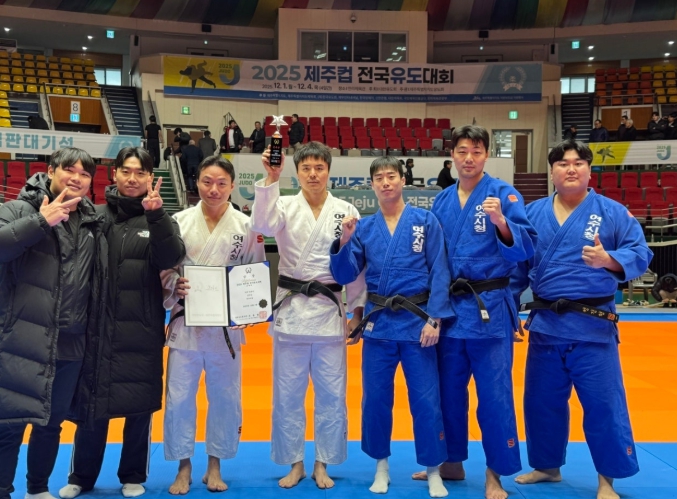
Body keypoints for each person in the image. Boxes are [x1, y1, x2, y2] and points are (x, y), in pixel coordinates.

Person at [514, 139, 652, 499]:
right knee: (541, 402)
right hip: (546, 325)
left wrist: (609, 260)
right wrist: (509, 309)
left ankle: (607, 479)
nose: (571, 169)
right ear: (552, 172)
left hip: (593, 325)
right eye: (562, 163)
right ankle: (547, 467)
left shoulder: (613, 212)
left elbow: (641, 253)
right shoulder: (532, 213)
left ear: (590, 171)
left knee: (603, 405)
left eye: (578, 163)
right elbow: (517, 268)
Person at [413, 125, 536, 499]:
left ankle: (495, 472)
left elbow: (526, 249)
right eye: (462, 151)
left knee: (495, 396)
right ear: (452, 155)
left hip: (489, 310)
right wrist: (431, 310)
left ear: (486, 155)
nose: (469, 158)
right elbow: (432, 258)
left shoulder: (504, 194)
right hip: (451, 311)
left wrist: (501, 222)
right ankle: (452, 461)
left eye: (477, 151)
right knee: (448, 393)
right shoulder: (442, 201)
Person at [58, 147, 185, 499]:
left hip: (141, 328)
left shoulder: (161, 218)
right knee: (91, 404)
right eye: (126, 171)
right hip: (95, 327)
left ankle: (133, 473)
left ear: (150, 178)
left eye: (140, 172)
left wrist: (156, 216)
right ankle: (81, 476)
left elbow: (172, 256)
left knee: (139, 405)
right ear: (114, 174)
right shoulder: (94, 216)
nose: (133, 178)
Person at [329, 157, 454, 498]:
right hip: (379, 324)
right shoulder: (365, 227)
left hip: (417, 323)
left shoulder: (425, 221)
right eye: (379, 178)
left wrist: (435, 318)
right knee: (376, 400)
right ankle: (381, 467)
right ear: (372, 185)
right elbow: (344, 275)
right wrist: (343, 241)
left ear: (402, 180)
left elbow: (440, 270)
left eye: (391, 176)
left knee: (427, 400)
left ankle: (433, 470)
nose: (386, 182)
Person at [250, 142, 366, 489]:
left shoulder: (345, 210)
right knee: (288, 394)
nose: (313, 174)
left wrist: (357, 311)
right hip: (292, 311)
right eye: (306, 169)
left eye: (319, 168)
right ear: (297, 172)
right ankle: (295, 463)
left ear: (328, 171)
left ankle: (322, 463)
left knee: (332, 394)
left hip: (329, 312)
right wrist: (271, 178)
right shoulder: (283, 204)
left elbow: (356, 266)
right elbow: (262, 224)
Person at [0, 148, 107, 499]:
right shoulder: (19, 209)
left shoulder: (92, 222)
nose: (76, 178)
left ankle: (37, 488)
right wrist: (40, 222)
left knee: (51, 422)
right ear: (49, 171)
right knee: (10, 422)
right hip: (25, 335)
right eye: (69, 170)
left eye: (85, 174)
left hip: (71, 340)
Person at [161, 155, 265, 495]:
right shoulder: (177, 222)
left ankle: (215, 465)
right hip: (186, 325)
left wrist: (248, 310)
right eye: (207, 181)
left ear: (233, 186)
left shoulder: (246, 226)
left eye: (221, 183)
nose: (214, 189)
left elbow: (253, 272)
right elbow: (165, 268)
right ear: (197, 183)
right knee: (179, 398)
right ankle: (183, 466)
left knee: (224, 397)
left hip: (226, 331)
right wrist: (174, 284)